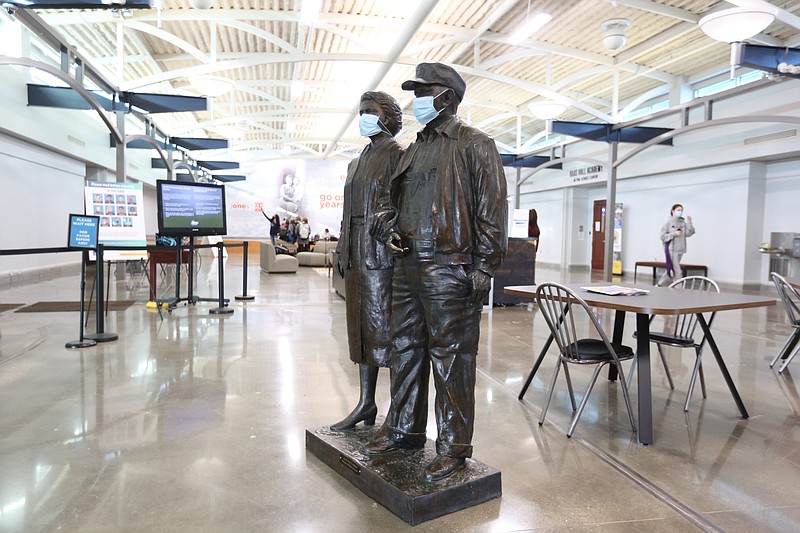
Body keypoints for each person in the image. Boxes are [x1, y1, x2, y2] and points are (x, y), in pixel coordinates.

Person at [365, 63, 508, 482]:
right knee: (405, 349)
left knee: (452, 359)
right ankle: (405, 430)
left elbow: (492, 210)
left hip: (449, 265)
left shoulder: (474, 144)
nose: (417, 100)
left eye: (424, 91)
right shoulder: (411, 150)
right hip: (407, 265)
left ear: (447, 96)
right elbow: (396, 204)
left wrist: (484, 266)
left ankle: (453, 448)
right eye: (416, 92)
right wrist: (387, 225)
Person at [330, 91, 404, 432]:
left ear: (387, 117)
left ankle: (397, 410)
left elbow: (404, 205)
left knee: (384, 332)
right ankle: (365, 403)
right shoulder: (356, 160)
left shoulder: (397, 155)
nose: (364, 117)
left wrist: (389, 223)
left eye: (370, 111)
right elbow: (347, 212)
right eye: (361, 111)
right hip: (356, 255)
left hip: (381, 256)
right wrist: (342, 249)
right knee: (359, 330)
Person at [658, 203, 695, 286]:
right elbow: (662, 237)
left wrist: (689, 222)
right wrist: (674, 234)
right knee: (677, 271)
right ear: (673, 211)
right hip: (672, 250)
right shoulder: (668, 224)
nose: (680, 212)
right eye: (678, 210)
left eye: (681, 211)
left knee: (672, 268)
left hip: (680, 249)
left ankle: (659, 284)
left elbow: (689, 233)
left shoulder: (683, 223)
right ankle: (679, 290)